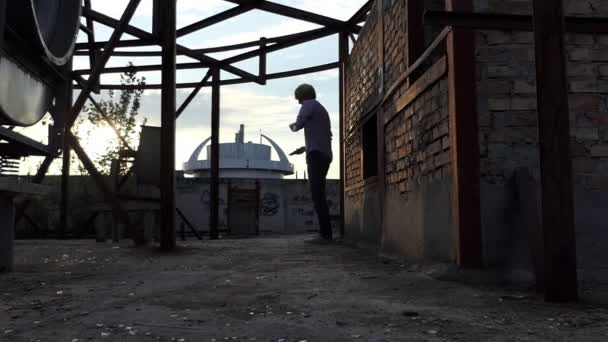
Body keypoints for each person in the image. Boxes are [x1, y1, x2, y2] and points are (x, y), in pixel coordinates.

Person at [289, 84, 333, 243]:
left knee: (317, 195)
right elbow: (321, 136)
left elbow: (298, 125)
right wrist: (304, 148)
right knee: (319, 193)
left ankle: (325, 234)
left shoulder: (309, 105)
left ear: (302, 96)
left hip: (316, 156)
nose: (299, 103)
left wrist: (292, 127)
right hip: (324, 154)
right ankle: (326, 233)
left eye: (298, 100)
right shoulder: (320, 109)